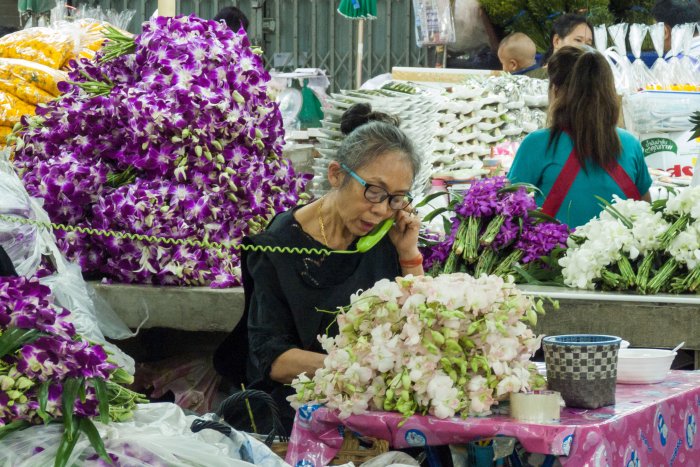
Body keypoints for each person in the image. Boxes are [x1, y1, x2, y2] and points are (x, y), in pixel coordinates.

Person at [214, 103, 423, 430]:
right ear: (336, 174)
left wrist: (409, 254)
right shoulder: (275, 247)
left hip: (372, 410)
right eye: (374, 192)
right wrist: (360, 366)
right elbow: (274, 360)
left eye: (396, 198)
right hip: (296, 414)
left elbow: (422, 324)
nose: (382, 209)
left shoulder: (387, 240)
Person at [508, 46, 652, 228]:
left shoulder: (538, 145)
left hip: (554, 255)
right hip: (622, 255)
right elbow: (647, 214)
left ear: (555, 90)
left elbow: (507, 213)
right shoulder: (630, 144)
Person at [528, 13, 594, 79]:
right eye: (578, 40)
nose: (585, 48)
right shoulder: (530, 80)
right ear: (556, 41)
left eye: (588, 44)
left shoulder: (589, 79)